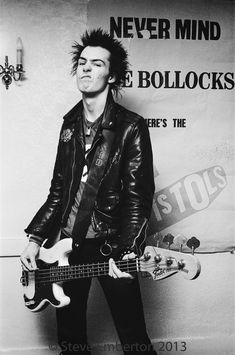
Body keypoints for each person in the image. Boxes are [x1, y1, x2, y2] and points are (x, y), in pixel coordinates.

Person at [20, 28, 156, 355]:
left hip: (112, 246)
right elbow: (58, 192)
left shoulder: (130, 127)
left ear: (112, 76)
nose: (86, 68)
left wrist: (128, 249)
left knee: (134, 339)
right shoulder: (69, 125)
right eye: (82, 62)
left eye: (96, 64)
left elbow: (139, 197)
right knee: (71, 339)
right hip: (67, 247)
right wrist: (35, 239)